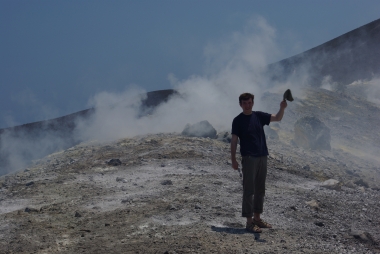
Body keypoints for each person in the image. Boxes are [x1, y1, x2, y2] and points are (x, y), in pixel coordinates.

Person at [230, 92, 287, 233]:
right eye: (244, 103)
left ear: (253, 103)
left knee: (260, 189)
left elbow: (277, 118)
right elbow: (234, 141)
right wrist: (233, 159)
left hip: (262, 156)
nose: (247, 105)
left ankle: (257, 218)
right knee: (249, 190)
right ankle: (249, 222)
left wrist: (282, 108)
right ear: (240, 104)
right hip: (249, 158)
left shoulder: (259, 116)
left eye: (249, 102)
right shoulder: (237, 120)